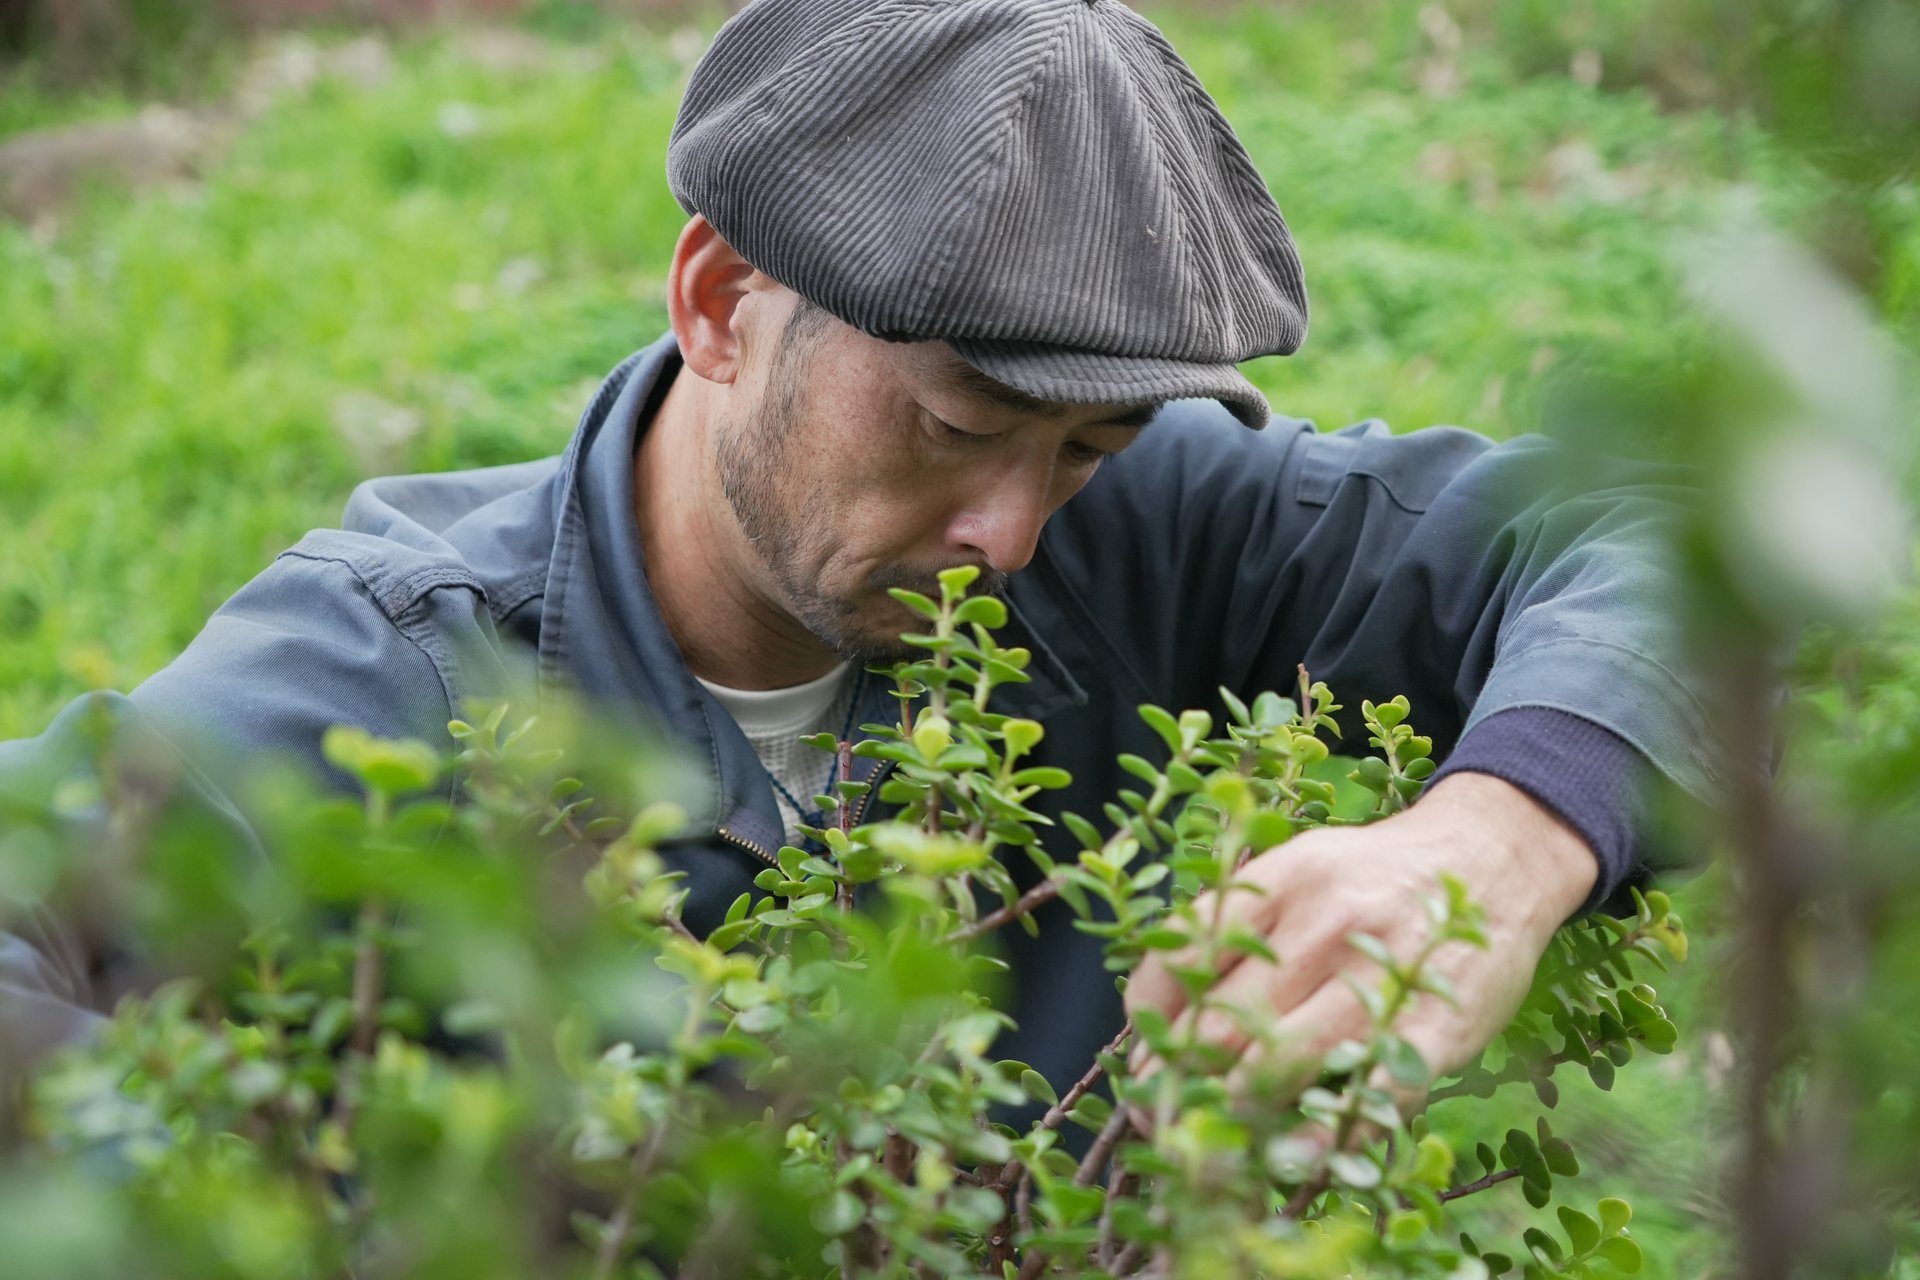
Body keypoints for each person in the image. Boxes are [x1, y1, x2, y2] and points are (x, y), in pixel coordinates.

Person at [0, 0, 1717, 1113]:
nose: (1013, 533)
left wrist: (1500, 839)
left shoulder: (1141, 520)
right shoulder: (391, 674)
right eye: (957, 429)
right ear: (722, 305)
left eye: (1087, 448)